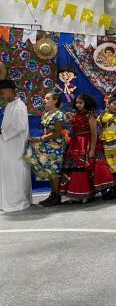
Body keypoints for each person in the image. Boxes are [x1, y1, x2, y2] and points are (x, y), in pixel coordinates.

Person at [60, 94, 110, 203]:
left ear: (86, 103)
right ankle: (77, 193)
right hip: (76, 144)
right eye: (77, 103)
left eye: (81, 103)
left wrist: (92, 149)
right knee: (75, 168)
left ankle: (86, 193)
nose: (78, 105)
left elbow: (94, 134)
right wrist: (70, 120)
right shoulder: (75, 115)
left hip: (87, 143)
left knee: (85, 169)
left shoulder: (90, 116)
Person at [26, 92, 67, 206]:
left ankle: (57, 196)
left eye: (48, 98)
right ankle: (52, 195)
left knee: (54, 172)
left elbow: (57, 133)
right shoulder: (46, 114)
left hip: (56, 147)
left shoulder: (59, 115)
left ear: (55, 100)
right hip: (46, 146)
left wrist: (39, 139)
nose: (45, 100)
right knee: (50, 172)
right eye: (45, 98)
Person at [0, 79, 31, 212]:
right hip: (8, 147)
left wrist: (2, 132)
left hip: (16, 147)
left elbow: (19, 127)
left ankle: (18, 203)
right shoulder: (10, 105)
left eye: (2, 93)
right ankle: (7, 202)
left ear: (9, 91)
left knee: (16, 173)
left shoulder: (19, 106)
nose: (2, 96)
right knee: (9, 173)